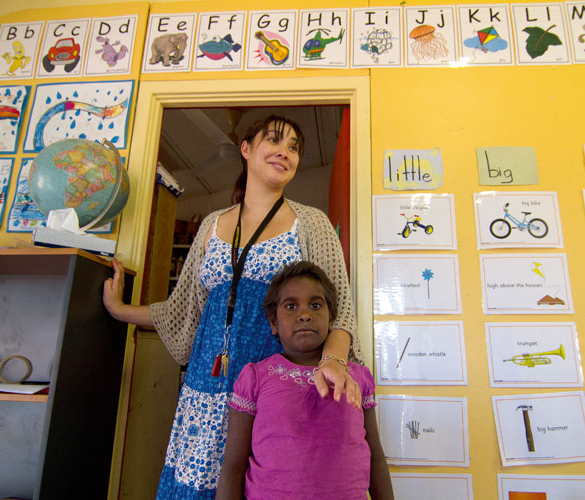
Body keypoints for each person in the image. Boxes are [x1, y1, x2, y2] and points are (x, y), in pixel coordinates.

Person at [103, 114, 362, 500]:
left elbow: (339, 309)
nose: (285, 152)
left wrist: (334, 362)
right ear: (246, 148)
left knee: (271, 483)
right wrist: (119, 308)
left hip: (278, 388)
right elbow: (181, 312)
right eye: (274, 141)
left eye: (294, 147)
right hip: (207, 389)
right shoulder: (211, 224)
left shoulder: (312, 223)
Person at [216, 261, 393, 500]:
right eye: (291, 306)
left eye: (316, 305)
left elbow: (376, 457)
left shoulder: (357, 377)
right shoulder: (255, 377)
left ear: (331, 319)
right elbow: (233, 466)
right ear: (273, 323)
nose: (305, 315)